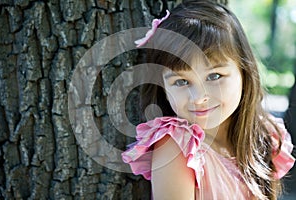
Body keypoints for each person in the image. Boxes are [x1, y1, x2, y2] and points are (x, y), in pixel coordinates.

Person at [122, 1, 295, 199]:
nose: (199, 98)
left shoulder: (263, 137)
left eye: (214, 76)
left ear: (244, 73)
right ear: (163, 87)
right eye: (181, 81)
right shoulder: (177, 147)